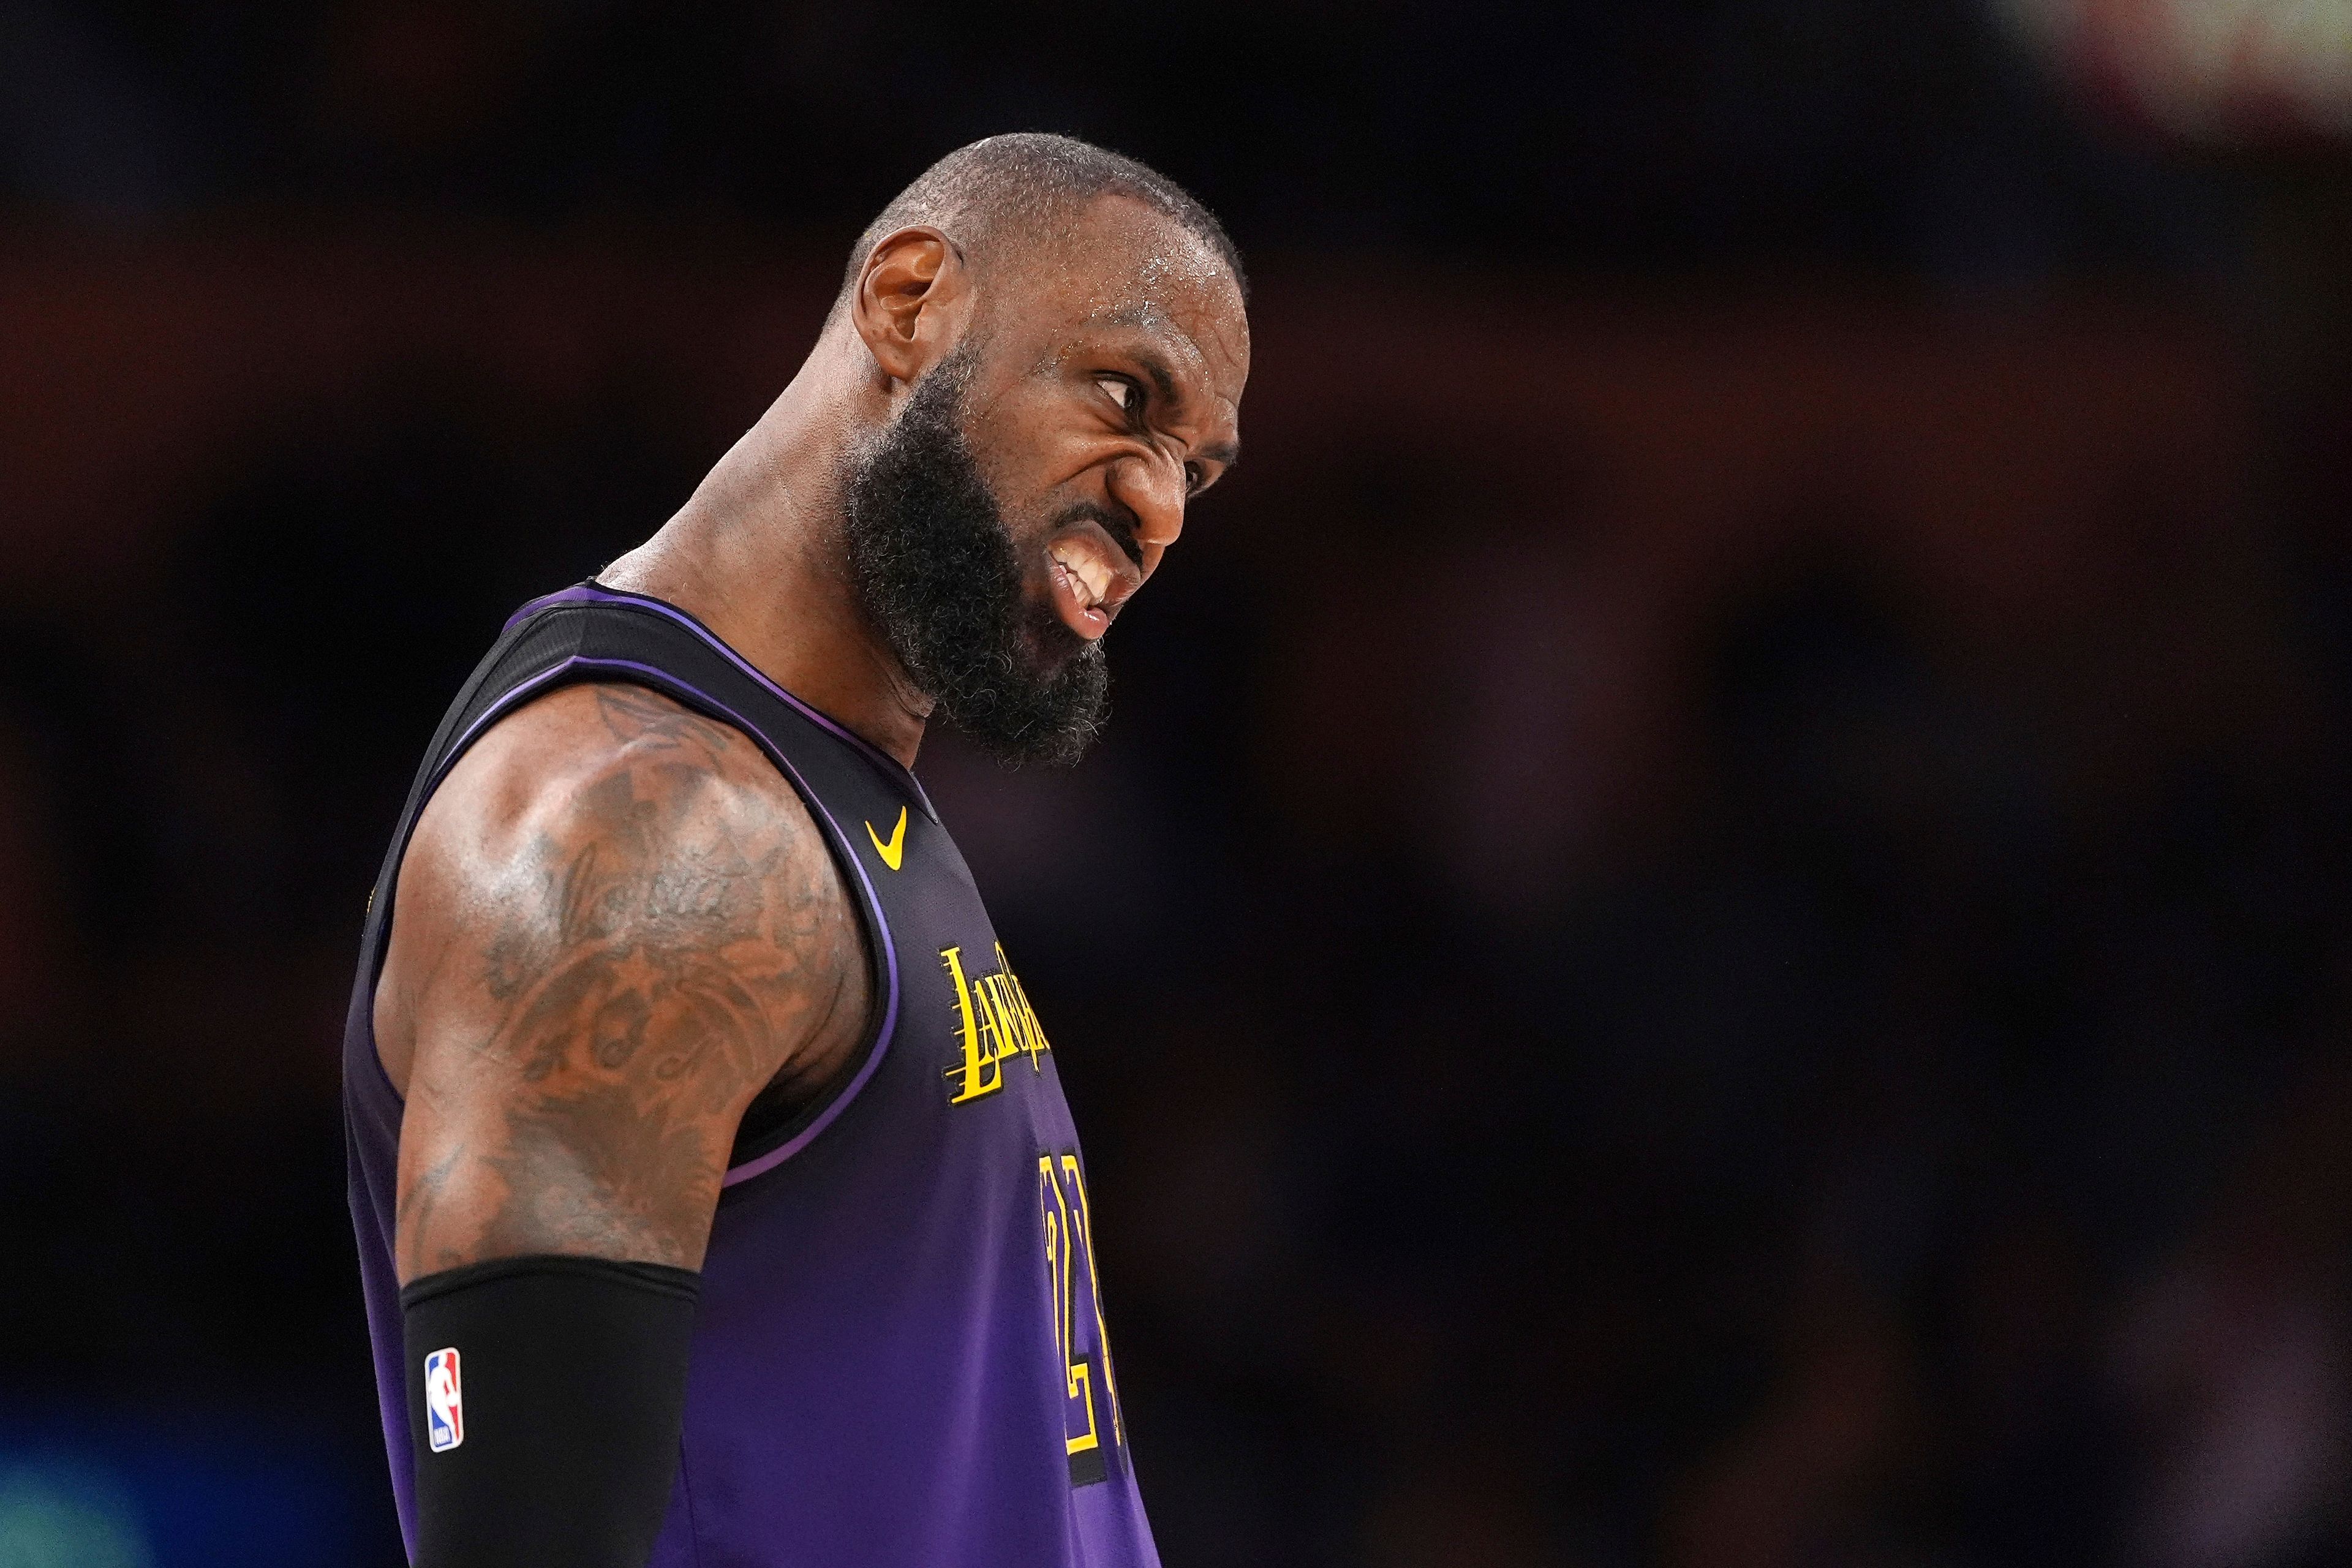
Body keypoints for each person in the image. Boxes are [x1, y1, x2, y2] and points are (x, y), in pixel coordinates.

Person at [342, 132, 1248, 1568]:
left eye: (1197, 468)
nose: (1160, 510)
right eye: (1127, 398)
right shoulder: (639, 833)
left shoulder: (809, 778)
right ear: (909, 303)